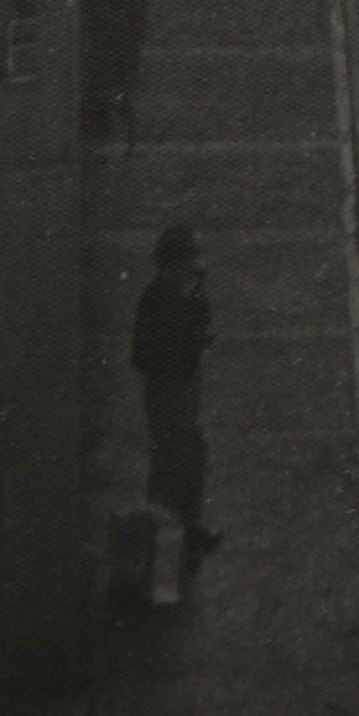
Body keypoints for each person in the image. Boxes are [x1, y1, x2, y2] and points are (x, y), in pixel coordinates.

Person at [135, 228, 221, 557]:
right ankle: (165, 545)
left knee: (191, 454)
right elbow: (147, 353)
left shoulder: (180, 297)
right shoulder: (158, 298)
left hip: (180, 389)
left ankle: (186, 531)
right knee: (172, 465)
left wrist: (199, 292)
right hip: (168, 390)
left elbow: (199, 326)